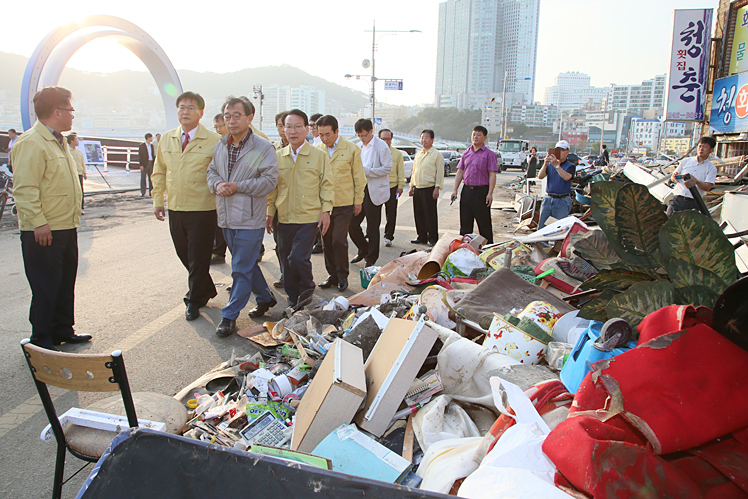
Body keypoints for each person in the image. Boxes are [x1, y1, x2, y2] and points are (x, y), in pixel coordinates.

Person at [13, 86, 90, 349]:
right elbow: (25, 188)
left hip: (66, 226)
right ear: (57, 112)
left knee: (65, 281)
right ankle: (42, 339)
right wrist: (38, 223)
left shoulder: (58, 140)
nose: (72, 116)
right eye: (70, 110)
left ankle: (62, 330)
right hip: (44, 229)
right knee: (46, 286)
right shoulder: (31, 142)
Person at [207, 97, 279, 336]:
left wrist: (237, 186)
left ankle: (229, 316)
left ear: (250, 118)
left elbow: (268, 181)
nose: (231, 120)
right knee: (245, 263)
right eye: (227, 116)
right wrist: (217, 185)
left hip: (249, 218)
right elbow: (212, 171)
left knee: (239, 266)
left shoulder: (261, 147)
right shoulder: (221, 145)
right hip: (226, 216)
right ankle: (265, 297)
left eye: (237, 115)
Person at [151, 91, 221, 321]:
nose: (185, 111)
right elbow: (159, 171)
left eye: (191, 107)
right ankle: (207, 288)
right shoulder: (167, 139)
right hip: (176, 207)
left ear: (201, 112)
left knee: (198, 256)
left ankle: (194, 300)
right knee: (184, 253)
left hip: (203, 209)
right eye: (181, 107)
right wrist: (157, 201)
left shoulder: (213, 140)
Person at [267, 109, 333, 307]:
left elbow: (327, 185)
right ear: (283, 130)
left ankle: (307, 288)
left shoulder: (319, 155)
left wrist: (326, 211)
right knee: (285, 262)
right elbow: (272, 188)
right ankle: (293, 299)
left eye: (297, 126)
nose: (293, 131)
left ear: (306, 129)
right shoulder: (277, 157)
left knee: (297, 258)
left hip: (309, 217)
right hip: (284, 217)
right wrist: (270, 213)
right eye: (288, 127)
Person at [317, 115, 365, 292]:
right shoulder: (318, 150)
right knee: (326, 240)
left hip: (344, 203)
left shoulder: (351, 149)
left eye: (328, 134)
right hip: (324, 205)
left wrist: (358, 201)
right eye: (321, 134)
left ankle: (343, 276)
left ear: (337, 131)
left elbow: (359, 178)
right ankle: (333, 275)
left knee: (338, 240)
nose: (324, 138)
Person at [349, 118, 392, 266]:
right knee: (352, 223)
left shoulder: (381, 146)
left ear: (371, 131)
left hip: (374, 190)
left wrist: (368, 171)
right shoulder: (357, 147)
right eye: (359, 135)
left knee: (372, 227)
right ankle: (363, 249)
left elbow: (387, 168)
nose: (362, 138)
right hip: (360, 190)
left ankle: (371, 259)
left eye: (364, 135)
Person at [451, 125, 497, 243]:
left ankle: (487, 249)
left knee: (484, 224)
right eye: (474, 134)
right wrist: (455, 189)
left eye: (478, 135)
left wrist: (490, 193)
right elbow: (460, 171)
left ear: (485, 137)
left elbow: (492, 174)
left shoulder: (489, 154)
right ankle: (464, 249)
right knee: (465, 224)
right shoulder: (466, 153)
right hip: (466, 191)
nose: (475, 137)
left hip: (481, 192)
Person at [666, 136, 718, 217]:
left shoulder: (711, 168)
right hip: (677, 199)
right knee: (667, 224)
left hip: (693, 202)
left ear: (711, 149)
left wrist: (696, 181)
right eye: (700, 146)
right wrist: (674, 177)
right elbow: (673, 178)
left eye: (705, 147)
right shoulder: (686, 161)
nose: (701, 149)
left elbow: (707, 187)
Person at [409, 129, 443, 246]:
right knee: (418, 213)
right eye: (422, 137)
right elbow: (414, 171)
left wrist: (437, 187)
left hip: (429, 188)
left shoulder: (437, 155)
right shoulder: (419, 154)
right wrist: (411, 186)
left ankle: (433, 238)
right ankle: (421, 236)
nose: (424, 140)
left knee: (430, 214)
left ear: (432, 140)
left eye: (427, 138)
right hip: (417, 188)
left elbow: (439, 172)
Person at [536, 140, 576, 229]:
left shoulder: (570, 166)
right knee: (542, 226)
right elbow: (540, 176)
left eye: (562, 150)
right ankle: (542, 243)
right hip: (549, 198)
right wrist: (545, 164)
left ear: (567, 152)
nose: (560, 153)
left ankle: (557, 243)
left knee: (560, 228)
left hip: (562, 199)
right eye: (558, 150)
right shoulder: (550, 165)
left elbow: (567, 177)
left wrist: (557, 166)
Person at [270, 110, 289, 288]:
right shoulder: (271, 148)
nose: (283, 129)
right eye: (280, 126)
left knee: (297, 248)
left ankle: (296, 276)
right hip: (277, 204)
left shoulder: (306, 149)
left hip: (298, 206)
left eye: (286, 125)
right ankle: (285, 274)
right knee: (280, 244)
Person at [379, 128, 405, 247]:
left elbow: (401, 171)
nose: (385, 141)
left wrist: (400, 186)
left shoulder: (397, 154)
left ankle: (388, 236)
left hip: (392, 187)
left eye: (388, 139)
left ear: (391, 139)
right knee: (374, 213)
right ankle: (370, 235)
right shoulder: (375, 152)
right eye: (383, 138)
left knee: (391, 213)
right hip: (377, 187)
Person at [210, 114, 229, 265]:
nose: (218, 130)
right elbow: (211, 170)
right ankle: (218, 252)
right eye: (215, 126)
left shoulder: (254, 142)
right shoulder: (218, 144)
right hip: (219, 195)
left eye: (220, 126)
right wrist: (217, 184)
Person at [67, 133, 87, 214]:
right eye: (76, 139)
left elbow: (82, 163)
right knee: (71, 191)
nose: (78, 141)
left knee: (80, 191)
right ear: (71, 141)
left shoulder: (79, 152)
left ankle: (81, 207)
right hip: (70, 174)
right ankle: (71, 208)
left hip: (79, 174)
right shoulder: (66, 151)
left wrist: (84, 173)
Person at [138, 133, 155, 198]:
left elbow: (152, 154)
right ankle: (143, 192)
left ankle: (151, 192)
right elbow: (140, 156)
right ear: (148, 138)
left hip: (150, 163)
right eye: (151, 137)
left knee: (151, 178)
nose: (152, 139)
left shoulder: (151, 146)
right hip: (145, 164)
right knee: (143, 178)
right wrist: (141, 165)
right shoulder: (142, 146)